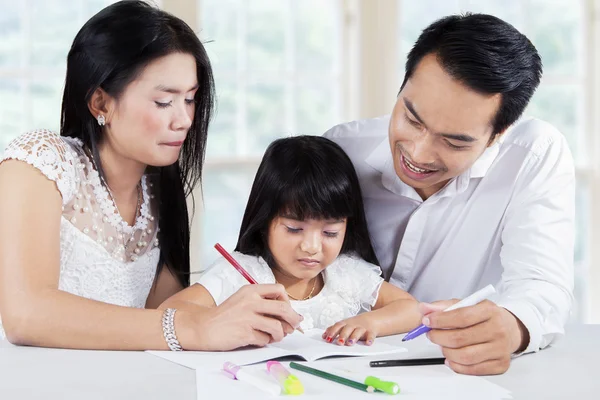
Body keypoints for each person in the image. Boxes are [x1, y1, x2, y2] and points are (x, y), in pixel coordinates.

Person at [0, 0, 301, 351]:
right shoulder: (39, 163)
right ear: (100, 103)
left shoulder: (160, 192)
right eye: (164, 102)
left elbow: (160, 320)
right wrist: (196, 328)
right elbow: (26, 315)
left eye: (190, 99)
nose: (185, 119)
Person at [324, 13, 575, 375]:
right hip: (335, 369)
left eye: (454, 141)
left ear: (498, 134)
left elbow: (542, 285)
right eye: (412, 119)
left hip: (451, 375)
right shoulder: (341, 148)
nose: (419, 154)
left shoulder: (532, 156)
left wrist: (511, 327)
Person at [161, 136, 421, 346]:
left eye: (330, 233)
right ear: (265, 221)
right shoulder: (241, 273)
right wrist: (225, 317)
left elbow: (412, 309)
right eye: (295, 229)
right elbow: (169, 311)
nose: (311, 247)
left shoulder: (346, 272)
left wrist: (371, 323)